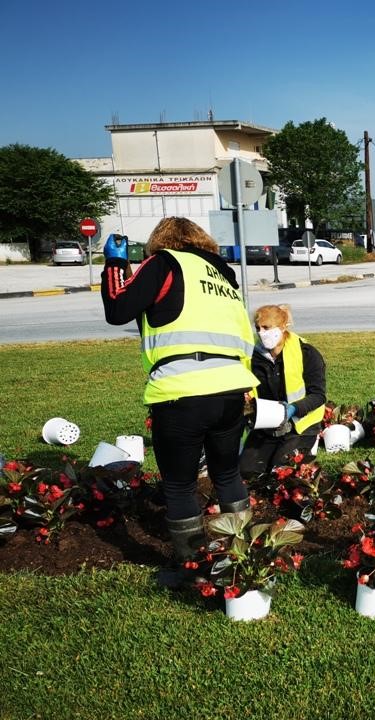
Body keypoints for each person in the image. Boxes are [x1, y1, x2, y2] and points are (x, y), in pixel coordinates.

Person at [100, 217, 260, 569]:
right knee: (227, 475)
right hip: (231, 390)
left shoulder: (164, 263)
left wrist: (114, 264)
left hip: (181, 390)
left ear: (160, 241)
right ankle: (244, 551)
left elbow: (118, 309)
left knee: (179, 486)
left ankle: (195, 565)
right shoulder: (224, 277)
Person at [239, 304, 326, 478]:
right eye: (258, 328)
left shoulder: (306, 353)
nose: (262, 333)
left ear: (282, 326)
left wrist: (293, 408)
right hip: (266, 425)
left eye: (266, 327)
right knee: (247, 472)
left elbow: (318, 395)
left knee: (283, 472)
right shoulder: (252, 356)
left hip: (300, 425)